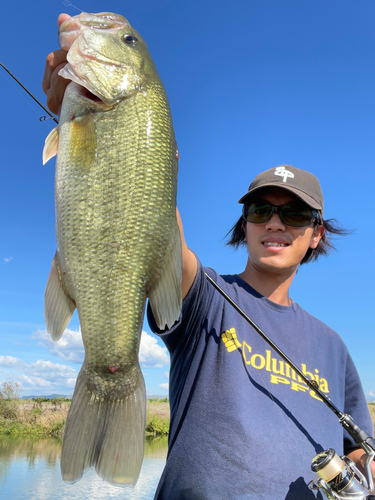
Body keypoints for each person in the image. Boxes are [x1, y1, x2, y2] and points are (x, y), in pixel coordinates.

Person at [43, 14, 374, 499]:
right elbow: (148, 217)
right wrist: (109, 126)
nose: (276, 223)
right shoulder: (206, 298)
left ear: (316, 235)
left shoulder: (334, 347)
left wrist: (362, 471)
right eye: (262, 209)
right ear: (246, 225)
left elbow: (360, 445)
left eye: (296, 215)